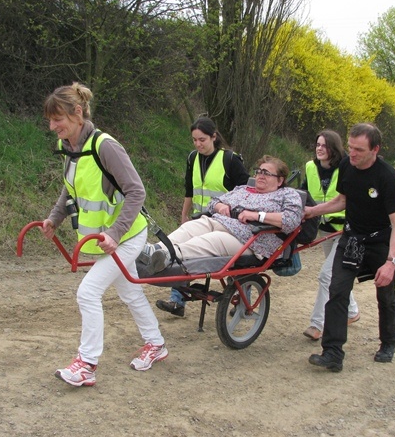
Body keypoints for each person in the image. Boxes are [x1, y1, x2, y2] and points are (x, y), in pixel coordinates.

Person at [40, 82, 168, 386]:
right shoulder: (71, 149)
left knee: (88, 292)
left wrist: (115, 232)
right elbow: (71, 188)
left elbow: (137, 192)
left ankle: (86, 364)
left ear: (78, 113)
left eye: (58, 118)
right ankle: (157, 344)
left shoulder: (104, 145)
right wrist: (54, 219)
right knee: (129, 292)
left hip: (127, 235)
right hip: (106, 238)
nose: (52, 125)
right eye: (50, 119)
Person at [304, 123, 395, 373]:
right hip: (351, 239)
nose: (353, 153)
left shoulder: (387, 176)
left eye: (359, 149)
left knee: (385, 295)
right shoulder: (347, 166)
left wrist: (390, 263)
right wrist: (312, 211)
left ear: (375, 149)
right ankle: (332, 352)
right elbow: (342, 200)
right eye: (350, 147)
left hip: (380, 240)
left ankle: (388, 342)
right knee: (337, 290)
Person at [138, 156, 303, 274]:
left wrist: (257, 216)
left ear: (280, 180)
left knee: (212, 239)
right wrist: (220, 205)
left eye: (266, 173)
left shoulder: (287, 194)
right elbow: (212, 202)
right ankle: (154, 249)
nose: (260, 175)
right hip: (220, 222)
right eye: (258, 171)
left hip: (250, 239)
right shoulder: (243, 189)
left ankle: (168, 255)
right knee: (193, 226)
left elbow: (291, 221)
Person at [155, 117, 249, 317]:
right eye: (194, 140)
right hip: (201, 219)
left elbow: (246, 192)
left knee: (234, 264)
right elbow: (189, 190)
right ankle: (177, 301)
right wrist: (184, 215)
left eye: (202, 140)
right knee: (181, 253)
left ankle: (243, 300)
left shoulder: (230, 160)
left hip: (227, 224)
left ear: (214, 137)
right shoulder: (192, 158)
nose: (198, 144)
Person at [300, 130, 360, 342]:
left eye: (324, 145)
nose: (319, 148)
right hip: (325, 229)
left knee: (326, 275)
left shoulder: (347, 167)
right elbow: (304, 194)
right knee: (334, 272)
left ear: (334, 148)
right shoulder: (309, 167)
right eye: (317, 144)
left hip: (345, 230)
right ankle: (352, 311)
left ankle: (318, 324)